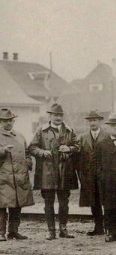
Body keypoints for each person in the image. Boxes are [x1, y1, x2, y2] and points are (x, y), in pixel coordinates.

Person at [29, 103, 79, 240]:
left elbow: (78, 146)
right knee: (48, 202)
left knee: (64, 202)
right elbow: (32, 148)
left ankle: (63, 229)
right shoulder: (42, 130)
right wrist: (42, 152)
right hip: (47, 173)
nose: (58, 117)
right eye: (55, 115)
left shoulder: (69, 130)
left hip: (65, 172)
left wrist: (69, 149)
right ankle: (51, 230)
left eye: (60, 115)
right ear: (50, 116)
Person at [0, 108, 34, 241]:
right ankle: (1, 233)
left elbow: (27, 151)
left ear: (13, 121)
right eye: (5, 121)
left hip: (19, 177)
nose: (8, 123)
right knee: (2, 206)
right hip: (3, 177)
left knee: (17, 205)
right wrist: (2, 150)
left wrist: (27, 164)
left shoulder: (19, 136)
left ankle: (13, 231)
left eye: (10, 120)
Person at [76, 110, 108, 236]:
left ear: (100, 121)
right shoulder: (83, 137)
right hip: (89, 176)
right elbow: (79, 158)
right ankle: (98, 227)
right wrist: (82, 175)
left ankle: (109, 226)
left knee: (106, 201)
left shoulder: (107, 136)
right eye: (90, 121)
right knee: (93, 202)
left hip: (104, 175)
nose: (93, 123)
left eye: (95, 120)